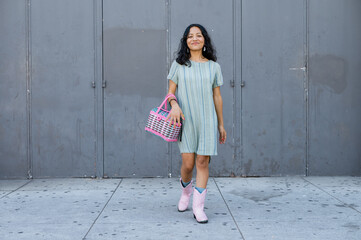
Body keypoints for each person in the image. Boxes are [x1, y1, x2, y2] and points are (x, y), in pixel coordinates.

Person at [166, 23, 226, 223]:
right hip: (186, 120)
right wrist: (174, 104)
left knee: (202, 162)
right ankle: (185, 192)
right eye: (190, 36)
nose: (194, 39)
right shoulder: (179, 65)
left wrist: (221, 124)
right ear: (186, 41)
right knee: (188, 163)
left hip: (208, 120)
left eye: (198, 35)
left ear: (204, 40)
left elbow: (217, 97)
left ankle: (198, 207)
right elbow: (170, 93)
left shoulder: (213, 66)